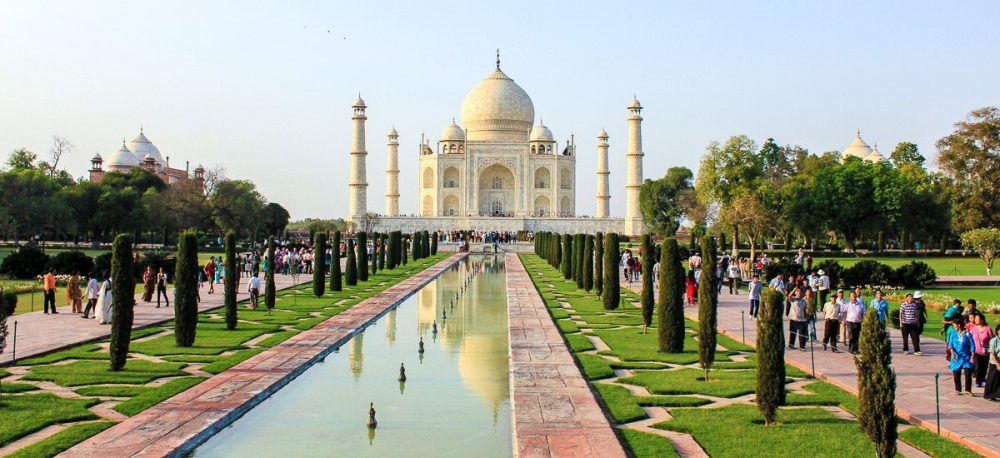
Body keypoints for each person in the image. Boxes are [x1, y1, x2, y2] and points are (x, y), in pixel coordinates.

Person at [948, 318, 975, 396]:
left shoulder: (967, 334)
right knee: (956, 374)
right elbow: (951, 344)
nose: (954, 327)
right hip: (956, 357)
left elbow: (972, 345)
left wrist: (972, 355)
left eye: (954, 325)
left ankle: (968, 390)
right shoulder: (953, 333)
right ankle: (958, 389)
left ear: (959, 325)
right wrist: (952, 353)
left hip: (966, 356)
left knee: (968, 373)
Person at [968, 314, 994, 388]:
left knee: (984, 367)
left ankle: (982, 380)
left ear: (982, 320)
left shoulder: (988, 329)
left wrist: (989, 348)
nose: (975, 320)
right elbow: (969, 339)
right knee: (977, 366)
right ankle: (977, 380)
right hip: (976, 351)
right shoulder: (973, 329)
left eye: (977, 319)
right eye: (975, 319)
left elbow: (992, 340)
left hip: (986, 352)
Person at [984, 323, 1000, 401]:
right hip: (994, 362)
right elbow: (992, 353)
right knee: (992, 379)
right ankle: (990, 395)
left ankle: (997, 394)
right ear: (997, 331)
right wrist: (997, 364)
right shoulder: (993, 341)